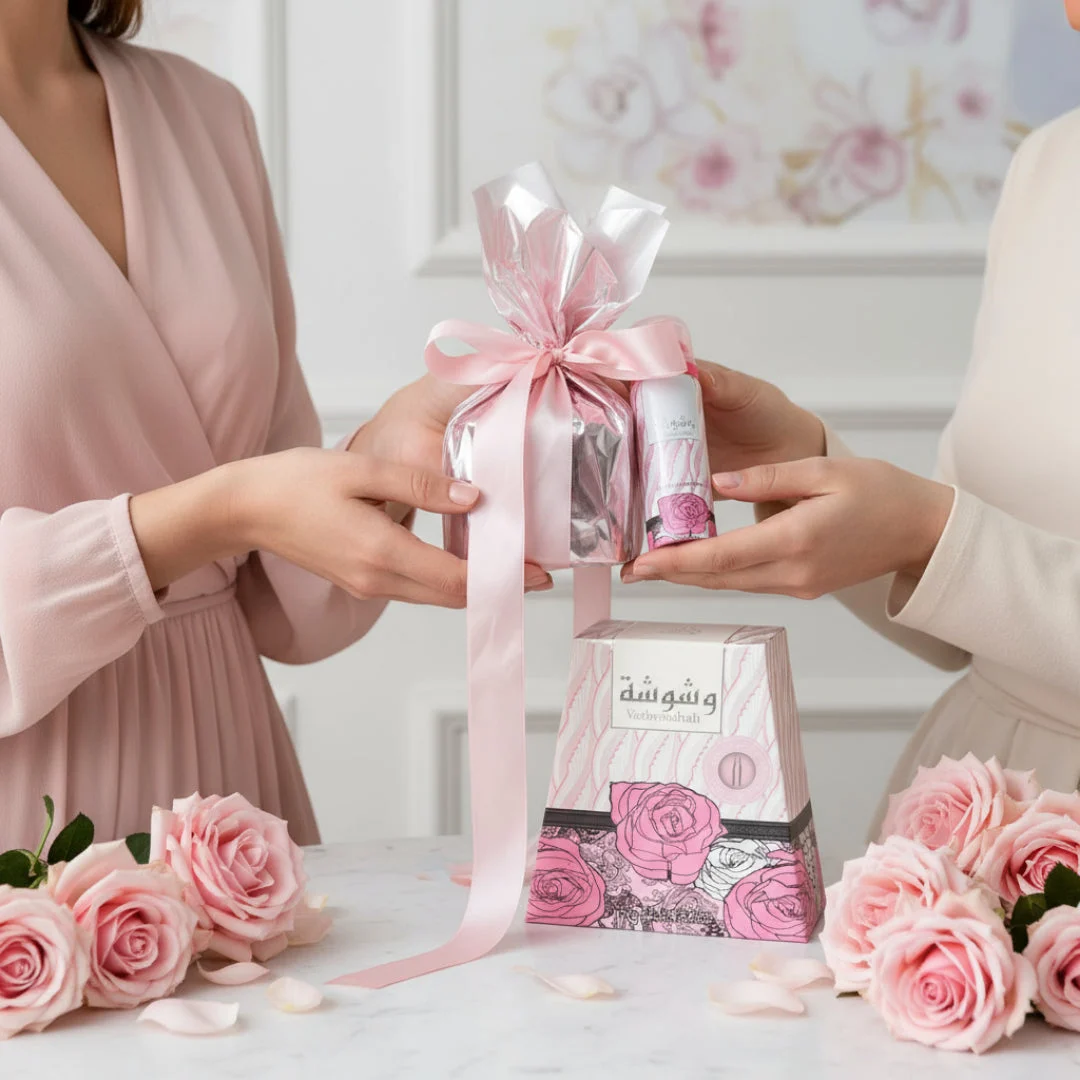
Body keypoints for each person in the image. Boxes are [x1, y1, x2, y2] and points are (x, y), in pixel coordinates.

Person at [0, 0, 553, 848]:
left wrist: (381, 460)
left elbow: (274, 592)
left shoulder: (202, 114)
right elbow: (242, 504)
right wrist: (226, 510)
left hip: (227, 796)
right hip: (27, 805)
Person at [624, 0, 1080, 835]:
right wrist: (801, 461)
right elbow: (966, 621)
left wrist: (933, 535)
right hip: (970, 818)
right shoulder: (1054, 164)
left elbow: (963, 552)